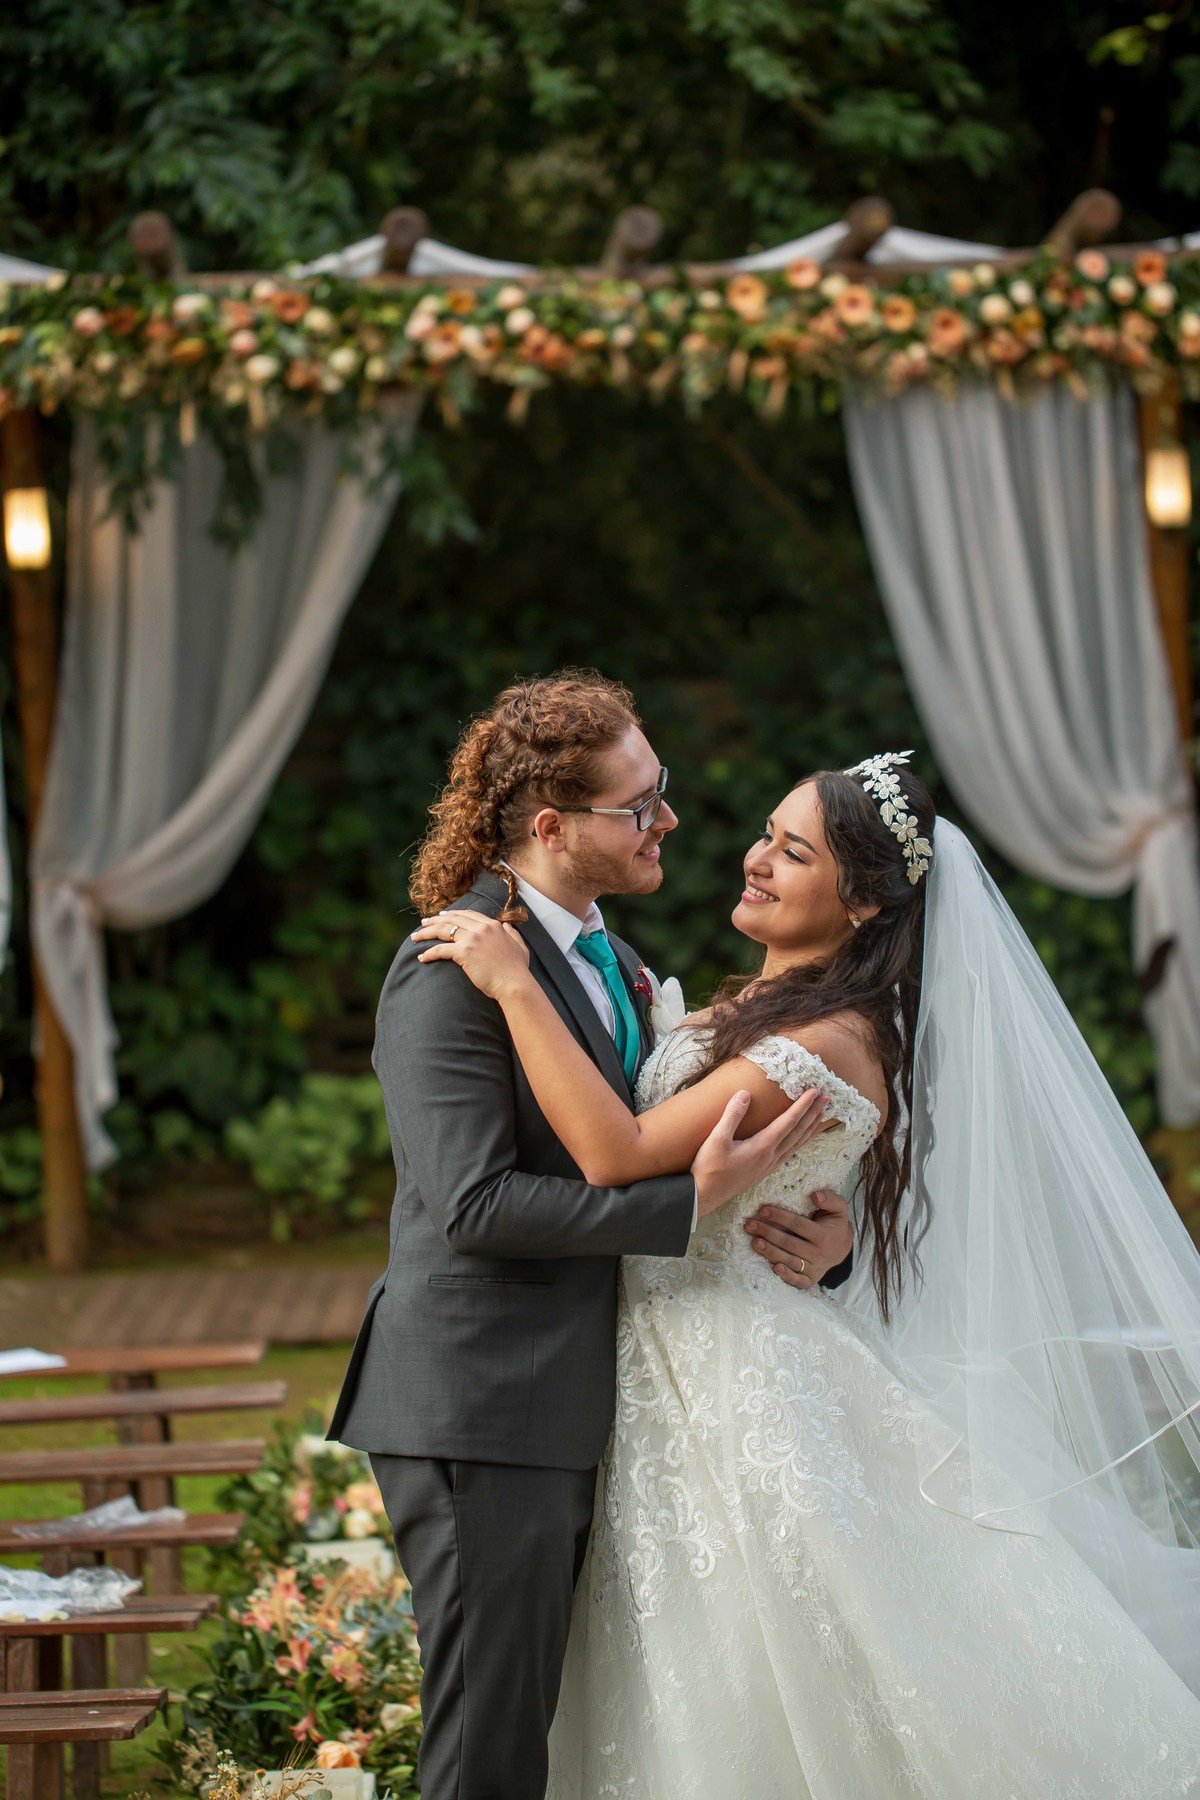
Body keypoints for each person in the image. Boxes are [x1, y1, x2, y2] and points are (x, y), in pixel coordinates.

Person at [416, 751, 1200, 1797]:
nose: (756, 859)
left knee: (778, 1659)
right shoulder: (767, 1002)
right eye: (768, 835)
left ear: (867, 901)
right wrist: (836, 1244)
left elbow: (616, 1153)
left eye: (794, 852)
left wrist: (512, 981)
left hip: (739, 1380)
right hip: (677, 1364)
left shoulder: (824, 1039)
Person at [328, 671, 856, 1800]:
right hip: (483, 1402)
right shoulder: (452, 975)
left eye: (659, 793)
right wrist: (685, 1210)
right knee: (489, 1747)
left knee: (554, 1736)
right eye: (640, 804)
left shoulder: (610, 959)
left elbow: (678, 1136)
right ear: (555, 827)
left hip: (571, 1399)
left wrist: (824, 1222)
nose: (668, 819)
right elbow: (474, 1207)